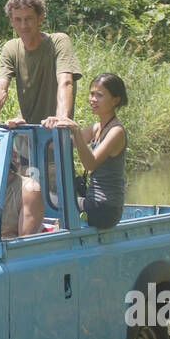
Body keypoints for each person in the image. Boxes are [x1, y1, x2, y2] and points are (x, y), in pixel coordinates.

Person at [0, 0, 82, 128]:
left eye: (28, 19)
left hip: (57, 132)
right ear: (12, 21)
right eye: (18, 20)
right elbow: (1, 87)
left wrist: (60, 118)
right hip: (27, 130)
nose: (23, 25)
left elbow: (66, 81)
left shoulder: (58, 42)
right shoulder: (11, 48)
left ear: (40, 18)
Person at [43, 73, 127, 229]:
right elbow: (65, 144)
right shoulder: (96, 128)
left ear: (115, 100)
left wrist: (75, 130)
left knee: (52, 202)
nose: (93, 99)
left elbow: (90, 164)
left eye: (99, 95)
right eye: (92, 94)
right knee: (49, 198)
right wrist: (54, 124)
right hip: (92, 202)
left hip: (105, 209)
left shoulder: (117, 131)